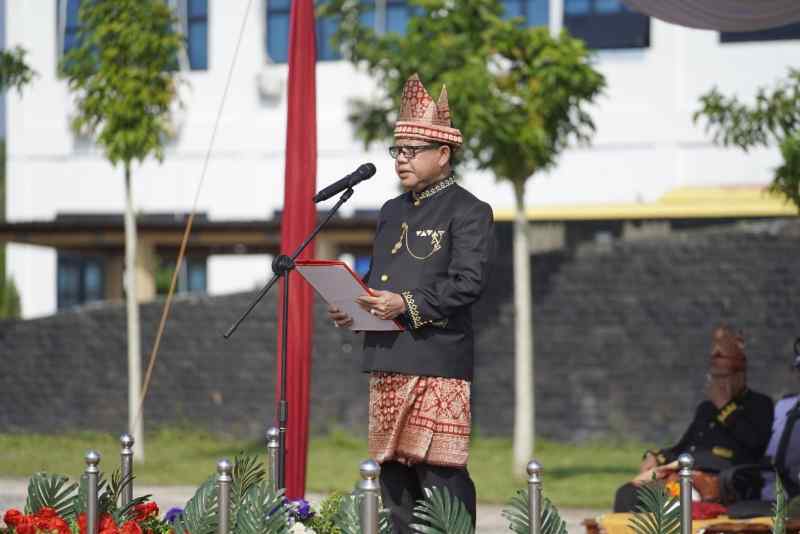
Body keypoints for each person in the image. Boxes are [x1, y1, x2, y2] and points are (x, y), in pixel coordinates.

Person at [327, 73, 494, 533]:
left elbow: (468, 284)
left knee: (440, 476)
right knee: (394, 479)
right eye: (397, 150)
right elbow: (379, 278)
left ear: (443, 154)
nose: (401, 159)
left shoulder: (469, 210)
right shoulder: (392, 211)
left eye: (412, 150)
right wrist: (354, 304)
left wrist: (404, 304)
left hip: (437, 362)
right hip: (388, 357)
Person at [613, 325, 774, 512]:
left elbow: (756, 444)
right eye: (714, 377)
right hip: (684, 474)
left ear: (740, 376)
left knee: (675, 499)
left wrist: (725, 406)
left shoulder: (759, 404)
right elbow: (684, 447)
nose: (717, 383)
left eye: (723, 377)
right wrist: (655, 456)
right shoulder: (706, 409)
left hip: (721, 481)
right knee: (627, 494)